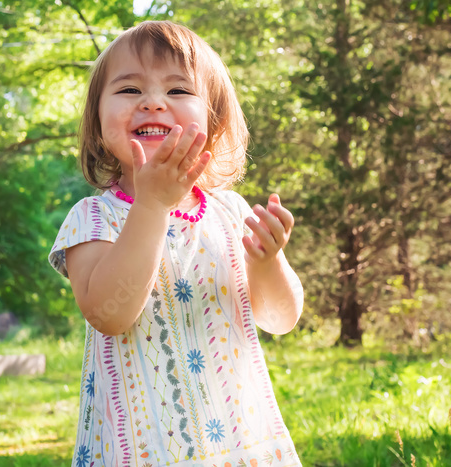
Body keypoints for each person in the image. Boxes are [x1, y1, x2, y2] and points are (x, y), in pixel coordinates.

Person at [48, 20, 304, 466]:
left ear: (214, 117)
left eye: (178, 90)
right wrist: (150, 205)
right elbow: (109, 314)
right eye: (128, 90)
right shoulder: (93, 218)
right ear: (97, 121)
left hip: (238, 438)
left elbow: (280, 319)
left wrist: (268, 263)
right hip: (141, 447)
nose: (152, 103)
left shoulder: (230, 212)